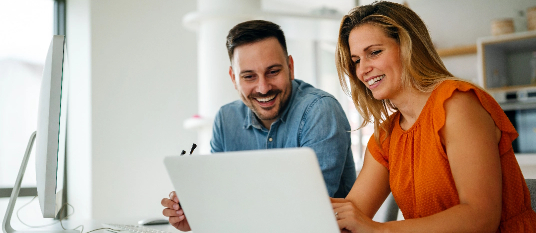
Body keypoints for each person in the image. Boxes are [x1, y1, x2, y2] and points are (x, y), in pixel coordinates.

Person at [330, 1, 536, 232]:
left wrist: (381, 230)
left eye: (374, 52)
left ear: (410, 48)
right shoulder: (387, 136)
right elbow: (353, 211)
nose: (362, 69)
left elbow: (481, 218)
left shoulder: (457, 105)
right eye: (356, 60)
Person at [161, 20, 357, 231]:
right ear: (233, 78)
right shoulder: (226, 119)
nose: (263, 88)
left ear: (290, 68)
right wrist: (197, 215)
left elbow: (308, 214)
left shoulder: (320, 111)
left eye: (273, 71)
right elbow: (221, 198)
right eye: (249, 76)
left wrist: (222, 211)